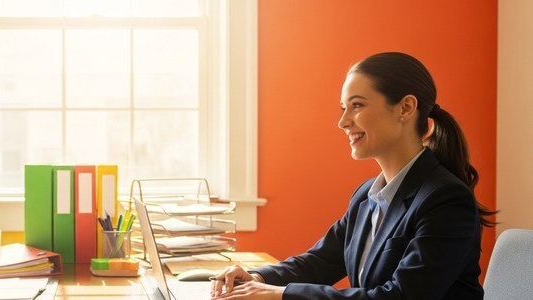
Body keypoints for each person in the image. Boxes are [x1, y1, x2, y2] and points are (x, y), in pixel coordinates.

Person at [211, 52, 496, 300]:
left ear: (406, 108)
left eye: (357, 105)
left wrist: (281, 294)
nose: (343, 121)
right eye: (343, 107)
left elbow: (402, 296)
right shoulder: (367, 195)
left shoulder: (445, 200)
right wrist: (257, 278)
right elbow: (321, 261)